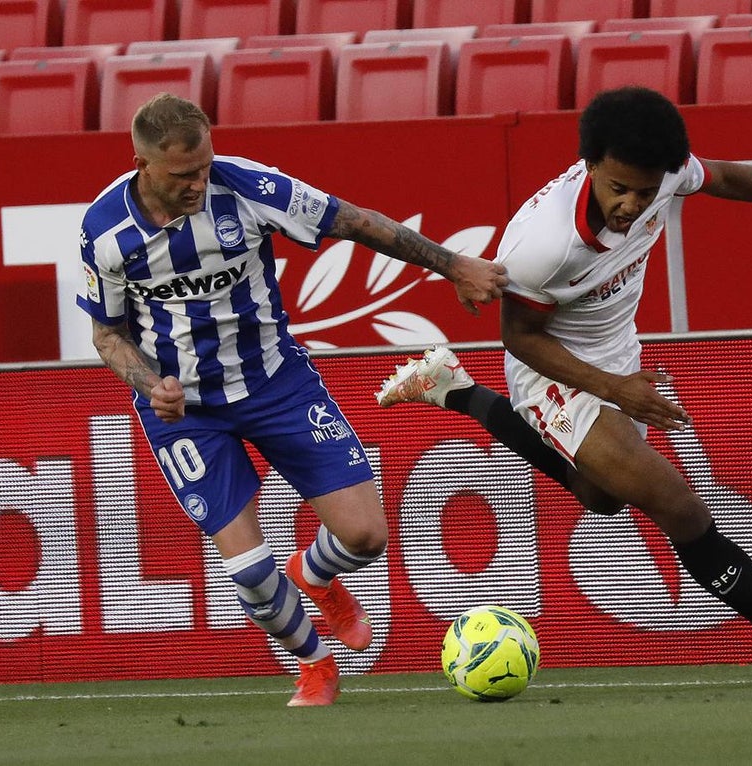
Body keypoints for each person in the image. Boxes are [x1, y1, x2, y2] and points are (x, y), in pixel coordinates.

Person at [377, 86, 752, 687]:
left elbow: (721, 176)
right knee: (679, 504)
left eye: (644, 192)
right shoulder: (544, 246)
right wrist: (614, 389)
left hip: (618, 355)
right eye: (619, 189)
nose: (632, 205)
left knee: (602, 497)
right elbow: (521, 338)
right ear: (590, 165)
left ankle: (456, 390)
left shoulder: (660, 174)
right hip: (553, 369)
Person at [78, 93, 508, 706]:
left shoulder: (248, 187)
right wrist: (152, 385)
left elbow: (354, 221)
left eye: (204, 165)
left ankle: (315, 575)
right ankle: (315, 663)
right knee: (249, 570)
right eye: (182, 175)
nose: (199, 182)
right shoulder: (105, 231)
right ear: (143, 162)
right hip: (186, 412)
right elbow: (106, 332)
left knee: (365, 537)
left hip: (277, 384)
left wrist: (452, 263)